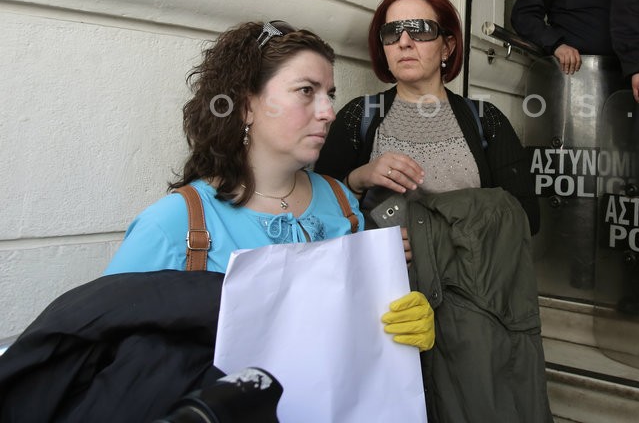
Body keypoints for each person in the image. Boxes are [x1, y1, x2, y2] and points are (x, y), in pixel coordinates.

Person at [106, 20, 434, 349]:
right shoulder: (175, 223)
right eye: (307, 91)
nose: (328, 112)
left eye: (329, 95)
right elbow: (104, 349)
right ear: (247, 106)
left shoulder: (341, 201)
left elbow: (350, 324)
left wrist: (397, 324)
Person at [314, 0, 539, 234]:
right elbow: (318, 219)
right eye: (392, 32)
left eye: (420, 30)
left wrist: (429, 243)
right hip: (383, 272)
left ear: (447, 47)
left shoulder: (486, 119)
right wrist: (356, 181)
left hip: (465, 272)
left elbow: (526, 218)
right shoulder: (359, 116)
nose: (404, 43)